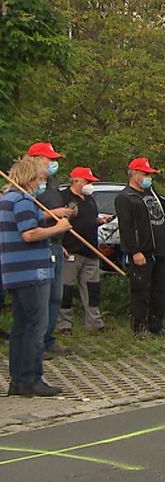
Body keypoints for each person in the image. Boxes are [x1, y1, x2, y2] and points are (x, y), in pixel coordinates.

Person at [1, 157, 73, 395]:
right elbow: (29, 234)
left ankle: (18, 379)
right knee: (36, 326)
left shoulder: (7, 200)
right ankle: (32, 378)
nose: (43, 183)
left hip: (15, 271)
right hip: (31, 271)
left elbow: (28, 222)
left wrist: (48, 217)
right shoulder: (22, 199)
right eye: (41, 178)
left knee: (21, 326)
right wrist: (58, 228)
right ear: (30, 178)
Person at [114, 157, 165, 336]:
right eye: (145, 174)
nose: (148, 177)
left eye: (149, 174)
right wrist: (135, 251)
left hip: (160, 248)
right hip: (142, 250)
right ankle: (139, 327)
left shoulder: (151, 192)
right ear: (134, 174)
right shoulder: (125, 197)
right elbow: (126, 228)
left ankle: (156, 324)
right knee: (141, 290)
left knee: (161, 289)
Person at [25, 142, 73, 357]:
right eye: (50, 159)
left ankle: (48, 339)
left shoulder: (51, 184)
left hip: (54, 244)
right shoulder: (25, 185)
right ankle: (34, 342)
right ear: (36, 159)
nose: (54, 164)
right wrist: (55, 214)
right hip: (36, 245)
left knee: (56, 295)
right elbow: (28, 218)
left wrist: (59, 239)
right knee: (39, 298)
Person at [58, 167, 112, 333]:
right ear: (76, 181)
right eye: (88, 181)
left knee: (92, 288)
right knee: (65, 289)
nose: (90, 185)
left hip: (91, 251)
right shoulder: (63, 198)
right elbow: (56, 223)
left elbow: (88, 220)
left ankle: (94, 323)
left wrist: (99, 221)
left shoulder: (89, 199)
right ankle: (64, 324)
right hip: (71, 250)